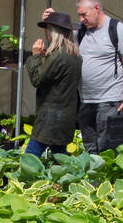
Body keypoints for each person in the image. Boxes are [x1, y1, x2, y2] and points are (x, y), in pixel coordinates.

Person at [44, 0, 123, 154]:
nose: (81, 19)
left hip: (111, 100)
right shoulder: (80, 31)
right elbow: (55, 41)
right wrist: (48, 22)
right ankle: (94, 180)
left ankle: (109, 179)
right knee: (90, 146)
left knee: (106, 148)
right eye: (79, 15)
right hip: (86, 100)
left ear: (96, 8)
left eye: (83, 15)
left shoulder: (117, 29)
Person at [24, 11, 81, 158]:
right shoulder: (74, 55)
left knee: (31, 156)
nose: (46, 33)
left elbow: (36, 79)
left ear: (53, 32)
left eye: (48, 29)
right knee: (60, 157)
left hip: (50, 117)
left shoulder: (59, 55)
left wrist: (35, 56)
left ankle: (24, 181)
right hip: (65, 117)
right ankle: (64, 181)